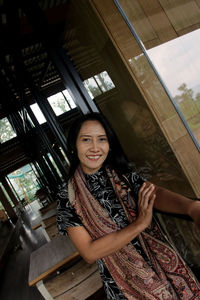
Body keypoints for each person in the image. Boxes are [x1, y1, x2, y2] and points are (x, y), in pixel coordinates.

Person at [57, 112, 200, 300]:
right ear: (74, 146)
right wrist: (139, 224)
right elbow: (90, 252)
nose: (95, 147)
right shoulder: (67, 195)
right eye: (86, 140)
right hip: (124, 287)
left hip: (165, 268)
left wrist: (190, 207)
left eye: (102, 139)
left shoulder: (121, 172)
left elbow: (153, 194)